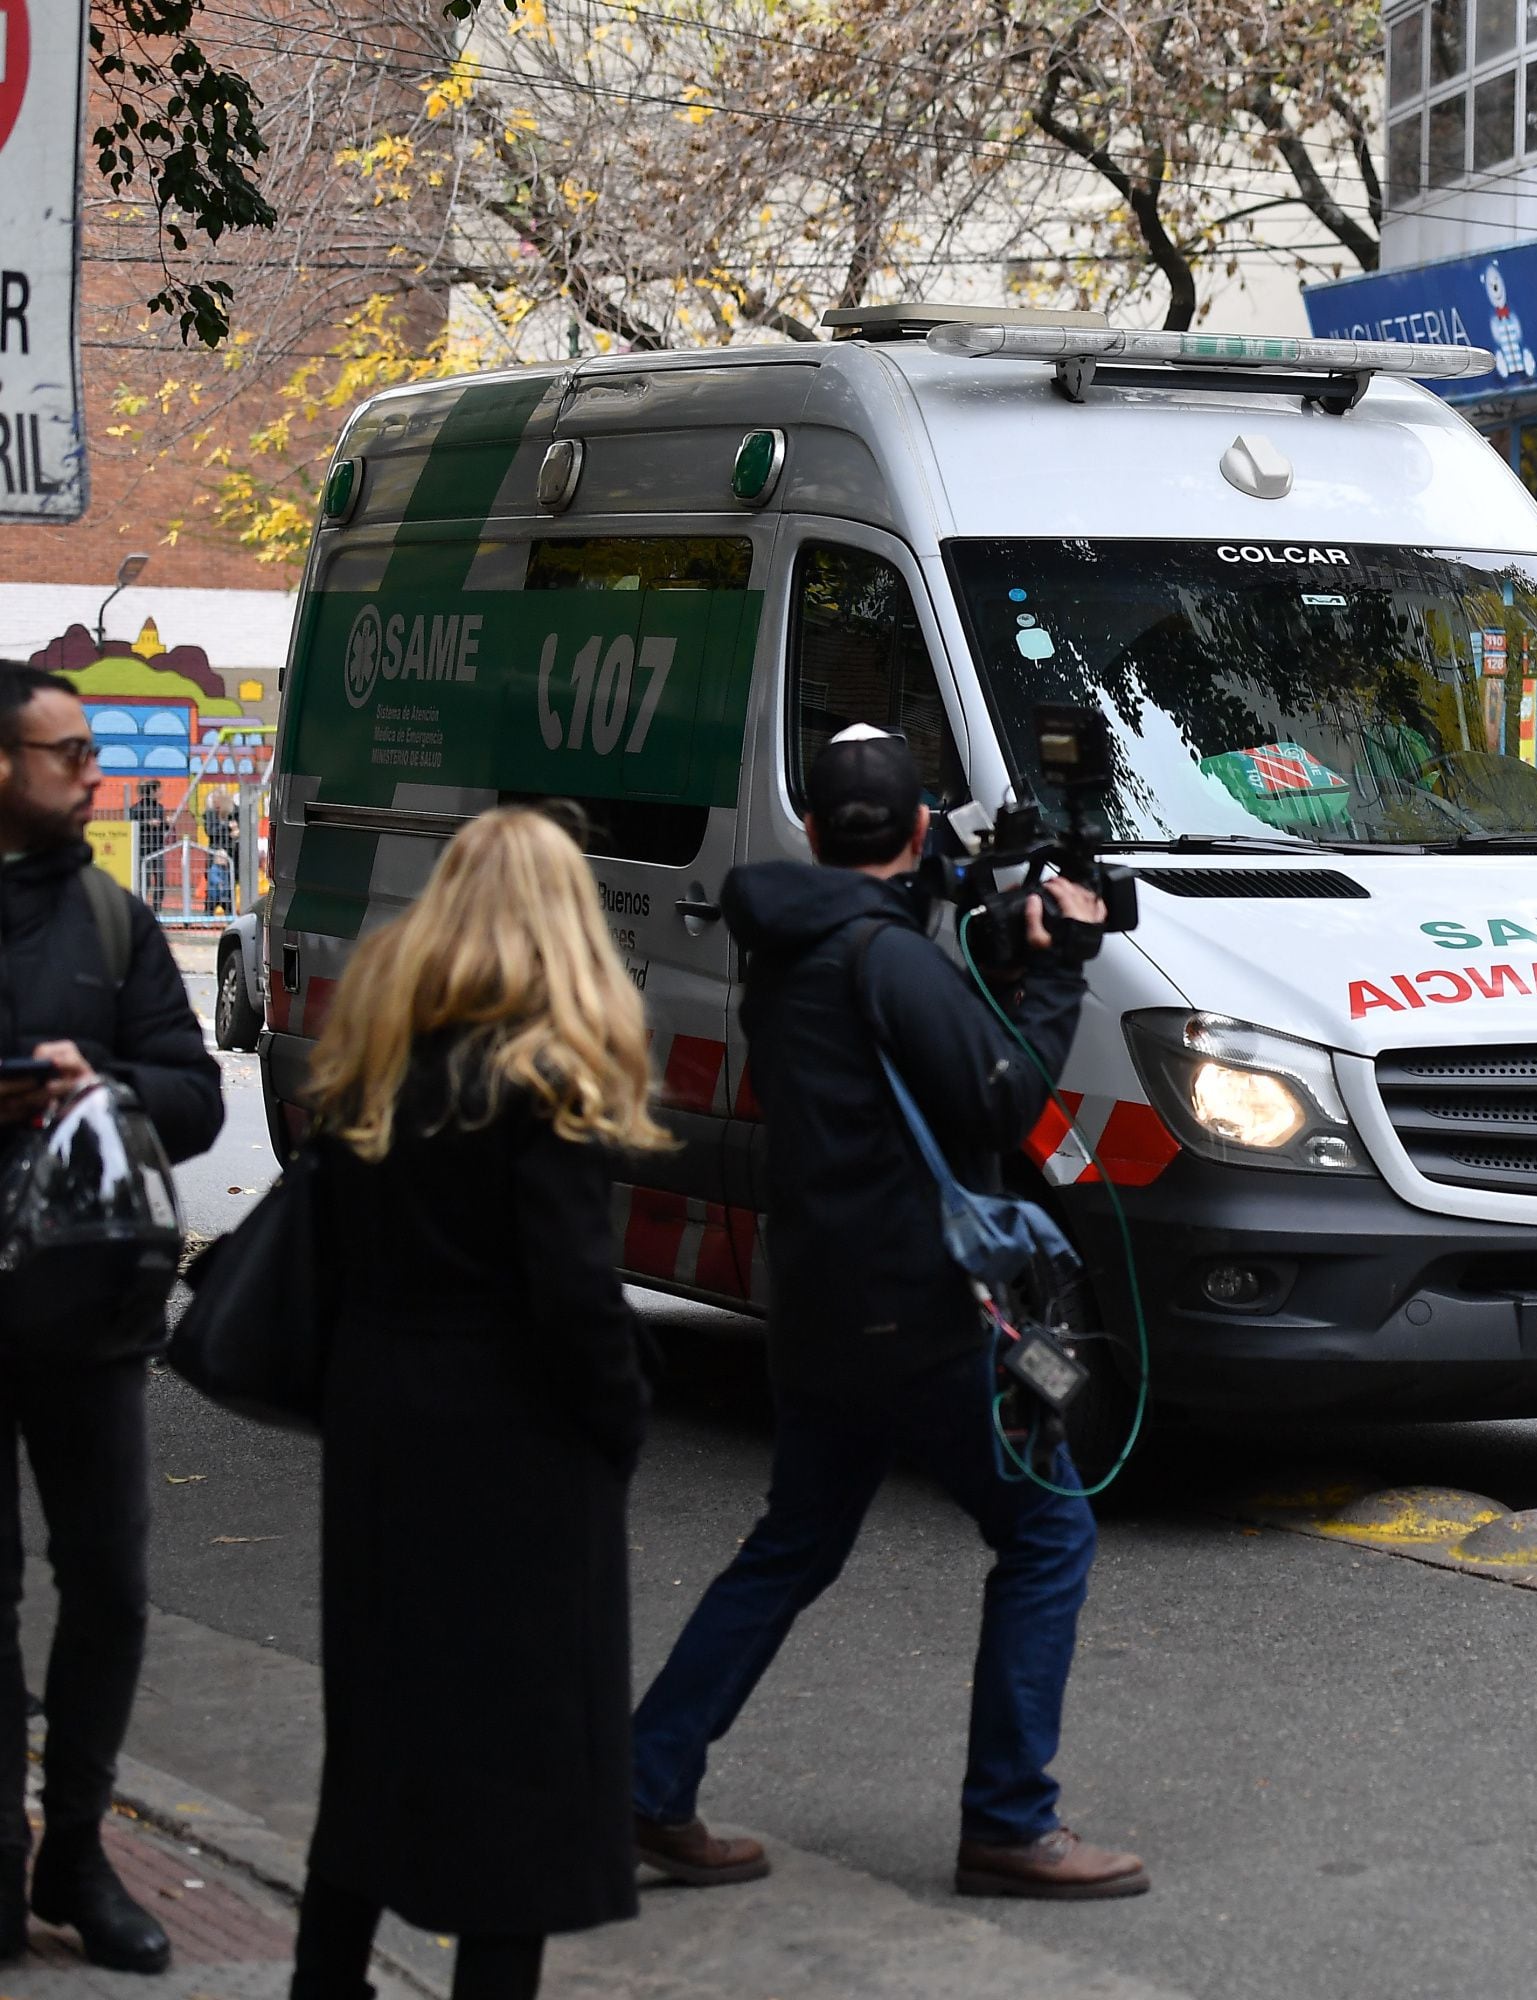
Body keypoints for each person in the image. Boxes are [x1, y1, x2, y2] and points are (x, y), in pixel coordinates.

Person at [629, 728, 1146, 1900]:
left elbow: (912, 1069)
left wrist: (996, 965)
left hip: (816, 1305)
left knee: (793, 1544)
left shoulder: (792, 949)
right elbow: (1005, 1095)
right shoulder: (888, 959)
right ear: (919, 833)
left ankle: (645, 1781)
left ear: (813, 832)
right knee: (1047, 1533)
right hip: (917, 1312)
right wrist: (1059, 962)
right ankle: (1011, 1821)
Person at [287, 807, 665, 2000]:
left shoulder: (376, 1056)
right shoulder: (541, 1077)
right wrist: (620, 1419)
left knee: (380, 1742)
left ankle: (324, 1977)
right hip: (512, 1443)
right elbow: (572, 1296)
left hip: (381, 1416)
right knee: (522, 1778)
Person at [0, 662, 221, 1974]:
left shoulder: (111, 918)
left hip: (87, 1316)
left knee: (113, 1591)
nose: (94, 772)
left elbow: (193, 1095)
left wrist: (108, 1083)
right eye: (66, 752)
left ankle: (73, 1855)